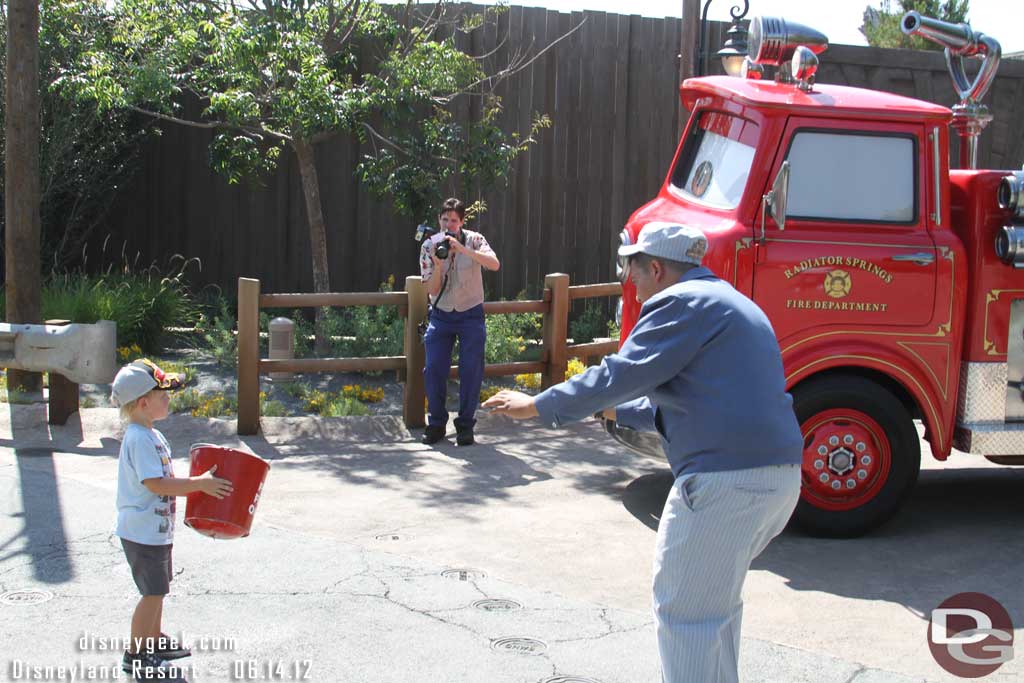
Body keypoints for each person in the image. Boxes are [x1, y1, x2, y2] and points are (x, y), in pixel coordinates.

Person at [483, 223, 803, 683]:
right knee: (714, 613)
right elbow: (695, 402)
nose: (627, 278)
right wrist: (607, 411)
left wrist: (538, 404)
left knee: (685, 616)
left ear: (655, 267)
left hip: (724, 482)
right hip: (774, 480)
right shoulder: (731, 303)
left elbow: (620, 373)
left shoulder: (679, 302)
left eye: (629, 266)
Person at [111, 358, 233, 681]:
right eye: (163, 394)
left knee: (159, 590)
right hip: (141, 533)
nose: (169, 398)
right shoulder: (138, 439)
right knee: (151, 593)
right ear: (143, 402)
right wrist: (200, 485)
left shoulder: (152, 435)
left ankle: (153, 641)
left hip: (155, 531)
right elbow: (157, 485)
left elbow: (164, 479)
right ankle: (135, 653)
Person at [419, 197, 500, 446]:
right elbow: (431, 290)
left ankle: (465, 425)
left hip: (470, 313)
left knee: (471, 369)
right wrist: (439, 264)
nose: (449, 224)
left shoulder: (475, 239)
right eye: (445, 219)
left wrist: (462, 249)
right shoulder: (428, 245)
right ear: (439, 221)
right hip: (441, 314)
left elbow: (494, 264)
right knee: (433, 369)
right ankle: (436, 424)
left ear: (462, 222)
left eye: (454, 220)